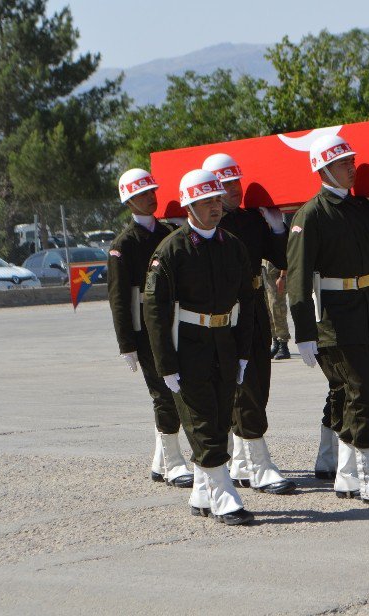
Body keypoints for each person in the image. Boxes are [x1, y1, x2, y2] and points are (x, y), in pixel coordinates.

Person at [287, 134, 369, 505]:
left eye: (352, 162)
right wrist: (304, 331)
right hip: (334, 319)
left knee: (348, 394)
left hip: (367, 310)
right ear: (323, 169)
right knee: (364, 393)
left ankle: (346, 475)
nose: (352, 168)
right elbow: (297, 277)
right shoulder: (310, 214)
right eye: (344, 163)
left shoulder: (361, 209)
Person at [143, 169, 256, 525]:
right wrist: (166, 365)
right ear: (189, 205)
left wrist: (242, 352)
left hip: (224, 341)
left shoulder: (233, 245)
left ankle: (203, 493)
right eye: (206, 201)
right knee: (203, 421)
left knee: (221, 418)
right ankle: (224, 495)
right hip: (188, 345)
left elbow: (247, 302)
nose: (215, 207)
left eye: (218, 200)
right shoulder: (171, 250)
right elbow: (156, 312)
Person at [202, 153, 295, 496]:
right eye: (227, 184)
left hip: (256, 307)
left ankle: (242, 462)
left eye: (237, 182)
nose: (235, 190)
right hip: (228, 312)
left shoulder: (250, 219)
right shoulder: (209, 228)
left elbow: (283, 259)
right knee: (245, 387)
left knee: (260, 383)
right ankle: (258, 464)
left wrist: (276, 228)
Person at [108, 168, 192, 489]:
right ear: (129, 201)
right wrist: (126, 343)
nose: (151, 197)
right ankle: (172, 463)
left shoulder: (169, 231)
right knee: (164, 394)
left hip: (175, 320)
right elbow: (119, 298)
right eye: (143, 194)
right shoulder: (123, 244)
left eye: (152, 191)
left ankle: (160, 461)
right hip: (146, 328)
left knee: (176, 389)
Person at [263, 262, 291, 360]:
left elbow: (284, 255)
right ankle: (276, 343)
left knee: (277, 309)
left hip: (276, 276)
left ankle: (283, 346)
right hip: (265, 274)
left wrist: (282, 277)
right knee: (268, 311)